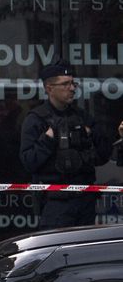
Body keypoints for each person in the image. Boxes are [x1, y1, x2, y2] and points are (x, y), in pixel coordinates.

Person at [20, 62, 119, 229]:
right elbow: (28, 161)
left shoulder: (82, 116)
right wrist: (49, 138)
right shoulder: (36, 120)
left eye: (74, 83)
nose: (72, 88)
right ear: (49, 88)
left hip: (85, 200)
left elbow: (104, 153)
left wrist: (91, 135)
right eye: (65, 84)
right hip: (55, 203)